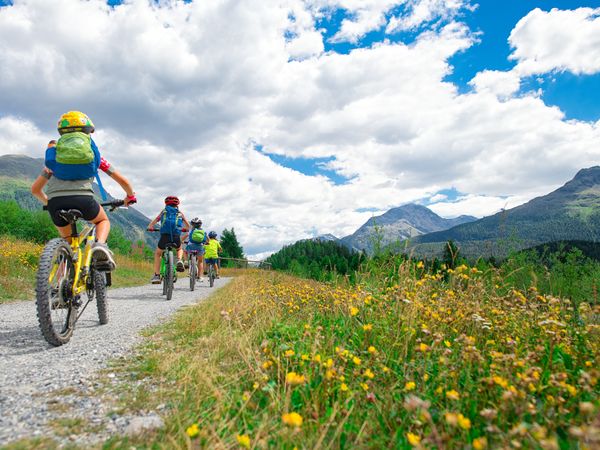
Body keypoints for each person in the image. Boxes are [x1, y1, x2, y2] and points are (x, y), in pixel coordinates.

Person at [31, 111, 136, 271]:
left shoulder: (54, 157)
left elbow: (35, 190)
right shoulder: (93, 156)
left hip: (56, 203)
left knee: (67, 245)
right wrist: (130, 196)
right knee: (102, 221)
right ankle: (99, 246)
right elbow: (123, 181)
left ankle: (58, 284)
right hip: (84, 200)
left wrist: (49, 202)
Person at [147, 196, 190, 284]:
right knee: (179, 248)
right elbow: (188, 226)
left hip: (164, 237)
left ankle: (157, 275)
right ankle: (179, 260)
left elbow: (155, 220)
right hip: (176, 236)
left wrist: (150, 227)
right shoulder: (179, 213)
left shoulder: (164, 211)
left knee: (158, 253)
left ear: (166, 203)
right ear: (177, 204)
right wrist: (185, 229)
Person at [183, 217, 207, 281]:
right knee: (200, 261)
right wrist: (207, 243)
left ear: (192, 224)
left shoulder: (191, 231)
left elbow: (184, 237)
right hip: (200, 247)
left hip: (191, 246)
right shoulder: (203, 231)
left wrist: (181, 241)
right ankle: (200, 276)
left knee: (185, 252)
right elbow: (208, 240)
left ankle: (185, 261)